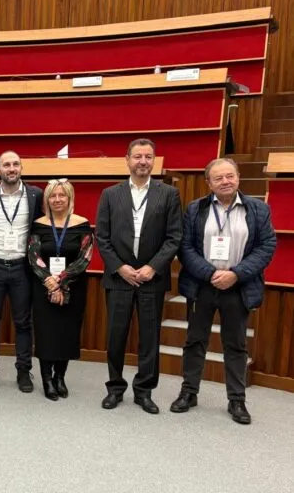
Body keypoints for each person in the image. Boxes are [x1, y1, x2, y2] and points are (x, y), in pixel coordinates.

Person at [170, 158, 276, 424]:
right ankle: (189, 392)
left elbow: (266, 246)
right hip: (201, 285)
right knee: (195, 341)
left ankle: (237, 400)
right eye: (218, 178)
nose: (225, 181)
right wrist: (209, 273)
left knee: (236, 345)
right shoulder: (196, 209)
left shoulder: (258, 209)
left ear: (238, 177)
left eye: (230, 176)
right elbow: (185, 247)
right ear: (209, 183)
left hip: (237, 287)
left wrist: (236, 274)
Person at [96, 138, 182, 414]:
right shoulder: (110, 194)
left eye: (148, 156)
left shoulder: (168, 194)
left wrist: (153, 267)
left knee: (149, 338)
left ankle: (144, 391)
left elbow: (173, 237)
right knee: (116, 337)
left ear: (153, 160)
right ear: (127, 160)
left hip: (151, 279)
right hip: (119, 278)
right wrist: (120, 267)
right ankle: (115, 388)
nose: (142, 161)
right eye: (137, 156)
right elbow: (103, 236)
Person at [0, 150, 44, 393]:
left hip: (22, 269)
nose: (11, 168)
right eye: (6, 165)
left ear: (21, 168)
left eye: (15, 164)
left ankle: (24, 371)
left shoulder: (36, 195)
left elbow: (41, 231)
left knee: (24, 323)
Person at [27, 179, 94, 401]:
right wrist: (49, 282)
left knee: (66, 332)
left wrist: (61, 282)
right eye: (52, 196)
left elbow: (85, 257)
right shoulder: (38, 224)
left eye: (61, 195)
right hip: (42, 286)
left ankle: (60, 377)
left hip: (73, 287)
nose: (57, 200)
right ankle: (47, 378)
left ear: (69, 198)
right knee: (46, 333)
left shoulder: (81, 223)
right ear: (47, 199)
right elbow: (33, 255)